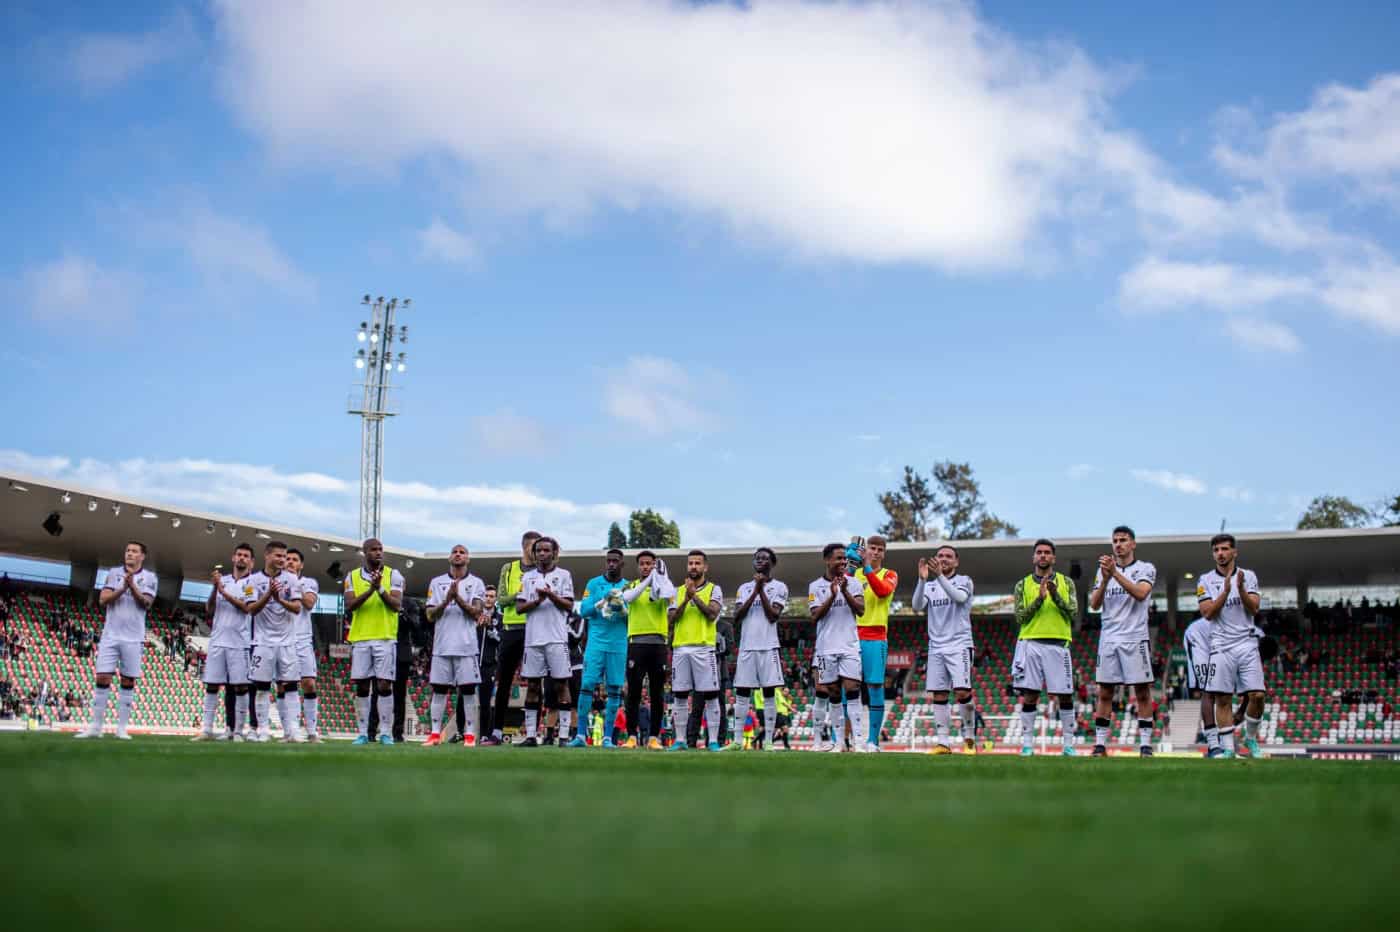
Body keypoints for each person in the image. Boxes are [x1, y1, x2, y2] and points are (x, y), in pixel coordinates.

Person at [1088, 526, 1158, 758]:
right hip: (1109, 638)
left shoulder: (1145, 568)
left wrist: (1115, 574)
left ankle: (1146, 745)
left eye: (1123, 540)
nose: (1118, 544)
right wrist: (1106, 579)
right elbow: (1094, 605)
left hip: (1135, 637)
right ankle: (1100, 745)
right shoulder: (1103, 572)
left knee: (1142, 692)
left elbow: (1140, 593)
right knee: (1105, 692)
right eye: (1115, 540)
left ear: (1133, 544)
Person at [76, 542, 157, 740]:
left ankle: (121, 728)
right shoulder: (113, 573)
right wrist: (123, 587)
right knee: (102, 677)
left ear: (142, 556)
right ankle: (96, 727)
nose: (129, 553)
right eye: (128, 550)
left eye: (134, 551)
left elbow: (146, 603)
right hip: (111, 635)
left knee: (128, 680)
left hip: (134, 636)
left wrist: (133, 586)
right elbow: (103, 600)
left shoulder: (150, 578)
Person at [1197, 534, 1265, 758]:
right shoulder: (1205, 580)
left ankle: (1251, 739)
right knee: (1223, 698)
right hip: (1220, 645)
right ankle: (1228, 749)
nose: (1221, 553)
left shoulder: (1249, 576)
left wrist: (1240, 589)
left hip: (1246, 642)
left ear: (1234, 552)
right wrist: (1225, 592)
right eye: (1216, 550)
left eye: (1225, 549)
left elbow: (1254, 608)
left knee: (1257, 695)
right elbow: (1207, 613)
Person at [1011, 539, 1078, 756]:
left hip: (1059, 643)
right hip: (1031, 642)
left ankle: (1068, 745)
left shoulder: (1066, 582)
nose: (1043, 556)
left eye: (1047, 553)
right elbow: (1020, 617)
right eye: (1039, 552)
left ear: (1053, 558)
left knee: (1065, 695)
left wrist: (1055, 595)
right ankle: (1027, 745)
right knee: (1030, 695)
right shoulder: (1022, 584)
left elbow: (1073, 613)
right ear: (1033, 557)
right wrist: (1039, 599)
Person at [913, 544, 976, 754]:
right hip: (936, 647)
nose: (944, 558)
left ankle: (969, 738)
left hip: (960, 645)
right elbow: (916, 606)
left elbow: (959, 598)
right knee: (939, 694)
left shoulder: (964, 581)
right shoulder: (930, 586)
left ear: (956, 561)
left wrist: (939, 576)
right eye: (940, 556)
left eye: (949, 556)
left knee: (962, 691)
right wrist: (922, 580)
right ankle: (943, 743)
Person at [343, 538, 405, 746]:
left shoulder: (393, 575)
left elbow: (396, 605)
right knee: (362, 686)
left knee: (384, 684)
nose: (378, 553)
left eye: (380, 549)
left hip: (385, 637)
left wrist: (379, 589)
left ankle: (385, 733)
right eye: (373, 550)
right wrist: (371, 589)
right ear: (365, 552)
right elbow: (350, 605)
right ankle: (362, 733)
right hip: (361, 638)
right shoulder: (351, 577)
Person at [515, 536, 576, 747]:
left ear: (554, 553)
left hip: (557, 638)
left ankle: (564, 736)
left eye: (546, 550)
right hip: (533, 639)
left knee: (561, 684)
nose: (542, 554)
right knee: (532, 685)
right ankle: (531, 735)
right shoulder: (527, 577)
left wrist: (550, 595)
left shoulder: (564, 575)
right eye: (538, 551)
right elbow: (519, 608)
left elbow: (569, 605)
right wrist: (537, 600)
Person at [424, 544, 486, 747]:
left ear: (468, 559)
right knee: (439, 689)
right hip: (442, 646)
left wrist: (457, 598)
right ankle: (434, 734)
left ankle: (469, 735)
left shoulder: (476, 583)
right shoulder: (436, 582)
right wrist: (445, 601)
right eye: (455, 552)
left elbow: (477, 613)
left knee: (468, 690)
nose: (458, 554)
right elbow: (430, 615)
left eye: (462, 552)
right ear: (449, 557)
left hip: (466, 646)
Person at [808, 543, 867, 752]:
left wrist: (845, 592)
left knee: (852, 689)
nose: (843, 562)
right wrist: (833, 595)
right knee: (832, 692)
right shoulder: (815, 587)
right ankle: (839, 741)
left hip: (850, 646)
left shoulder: (855, 583)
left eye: (844, 559)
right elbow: (815, 616)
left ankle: (859, 742)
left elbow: (860, 610)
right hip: (825, 649)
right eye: (839, 558)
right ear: (827, 560)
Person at [193, 543, 255, 741]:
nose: (242, 558)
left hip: (239, 641)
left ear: (251, 561)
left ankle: (238, 731)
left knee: (240, 687)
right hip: (218, 640)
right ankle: (207, 729)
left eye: (246, 555)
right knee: (212, 684)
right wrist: (214, 589)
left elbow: (246, 608)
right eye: (239, 555)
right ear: (233, 558)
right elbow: (209, 610)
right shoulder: (223, 580)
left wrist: (224, 592)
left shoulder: (251, 583)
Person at [664, 550, 724, 752]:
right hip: (681, 648)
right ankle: (680, 740)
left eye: (698, 563)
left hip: (704, 647)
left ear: (705, 567)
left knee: (711, 696)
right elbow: (671, 619)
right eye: (691, 563)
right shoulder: (675, 591)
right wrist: (685, 598)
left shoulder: (714, 589)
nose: (694, 567)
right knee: (680, 695)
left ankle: (713, 741)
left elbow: (711, 614)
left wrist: (694, 597)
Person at [246, 541, 305, 743]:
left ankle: (293, 730)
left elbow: (297, 608)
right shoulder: (252, 581)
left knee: (290, 686)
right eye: (278, 556)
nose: (282, 560)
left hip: (287, 641)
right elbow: (251, 609)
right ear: (267, 556)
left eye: (284, 556)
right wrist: (269, 595)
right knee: (262, 686)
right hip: (262, 641)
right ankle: (263, 729)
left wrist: (279, 600)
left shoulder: (292, 579)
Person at [728, 547, 787, 751]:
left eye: (765, 558)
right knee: (742, 693)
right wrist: (756, 589)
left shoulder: (780, 587)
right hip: (747, 647)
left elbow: (773, 615)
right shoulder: (744, 588)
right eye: (757, 558)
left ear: (773, 563)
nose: (760, 561)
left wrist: (761, 590)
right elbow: (737, 615)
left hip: (768, 646)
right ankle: (737, 741)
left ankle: (769, 741)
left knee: (769, 692)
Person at [484, 531, 540, 746]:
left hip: (535, 629)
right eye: (535, 547)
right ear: (526, 547)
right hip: (511, 629)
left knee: (535, 681)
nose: (539, 552)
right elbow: (501, 600)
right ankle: (496, 732)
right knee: (504, 681)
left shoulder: (542, 571)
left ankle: (532, 734)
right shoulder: (509, 569)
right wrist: (523, 593)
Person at [571, 549, 631, 747]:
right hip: (596, 642)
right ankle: (580, 735)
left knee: (614, 689)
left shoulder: (628, 586)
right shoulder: (593, 584)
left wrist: (621, 608)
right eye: (609, 561)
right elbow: (585, 610)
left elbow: (633, 617)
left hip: (618, 643)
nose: (611, 564)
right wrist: (603, 599)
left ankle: (607, 738)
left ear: (622, 564)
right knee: (587, 684)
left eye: (615, 561)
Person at [621, 550, 675, 748]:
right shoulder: (632, 585)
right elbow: (628, 598)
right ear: (638, 566)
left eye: (649, 564)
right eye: (642, 564)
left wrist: (658, 579)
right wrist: (649, 580)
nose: (645, 567)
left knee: (657, 693)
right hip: (636, 643)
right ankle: (631, 737)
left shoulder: (666, 585)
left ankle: (654, 737)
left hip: (659, 644)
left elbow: (669, 598)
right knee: (633, 692)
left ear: (655, 565)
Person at [854, 535, 898, 752]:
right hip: (851, 636)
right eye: (872, 548)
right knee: (848, 687)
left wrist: (867, 569)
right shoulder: (853, 573)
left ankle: (873, 741)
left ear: (884, 553)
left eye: (880, 549)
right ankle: (844, 740)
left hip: (876, 635)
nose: (876, 552)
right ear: (867, 550)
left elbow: (882, 591)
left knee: (874, 686)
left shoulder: (889, 574)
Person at [285, 548, 323, 742]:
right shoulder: (276, 582)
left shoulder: (308, 582)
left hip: (302, 640)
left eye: (294, 560)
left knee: (308, 683)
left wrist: (293, 585)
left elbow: (308, 604)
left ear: (301, 565)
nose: (290, 562)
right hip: (282, 640)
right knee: (285, 685)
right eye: (287, 559)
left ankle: (312, 732)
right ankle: (290, 731)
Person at [455, 585, 501, 742]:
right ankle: (460, 731)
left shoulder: (499, 617)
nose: (488, 598)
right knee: (462, 696)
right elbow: (463, 633)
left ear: (496, 599)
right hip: (470, 660)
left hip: (488, 664)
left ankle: (484, 735)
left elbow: (501, 639)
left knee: (485, 701)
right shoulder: (474, 614)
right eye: (486, 595)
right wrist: (476, 625)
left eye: (491, 596)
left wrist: (491, 630)